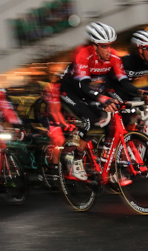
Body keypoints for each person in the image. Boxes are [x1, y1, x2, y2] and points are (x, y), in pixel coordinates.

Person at [59, 22, 140, 181]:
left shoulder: (114, 56)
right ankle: (77, 161)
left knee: (112, 119)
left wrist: (141, 93)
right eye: (104, 46)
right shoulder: (82, 54)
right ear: (95, 46)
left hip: (91, 92)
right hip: (71, 91)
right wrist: (102, 98)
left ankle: (108, 166)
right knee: (90, 119)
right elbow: (82, 86)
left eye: (110, 45)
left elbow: (123, 82)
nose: (109, 50)